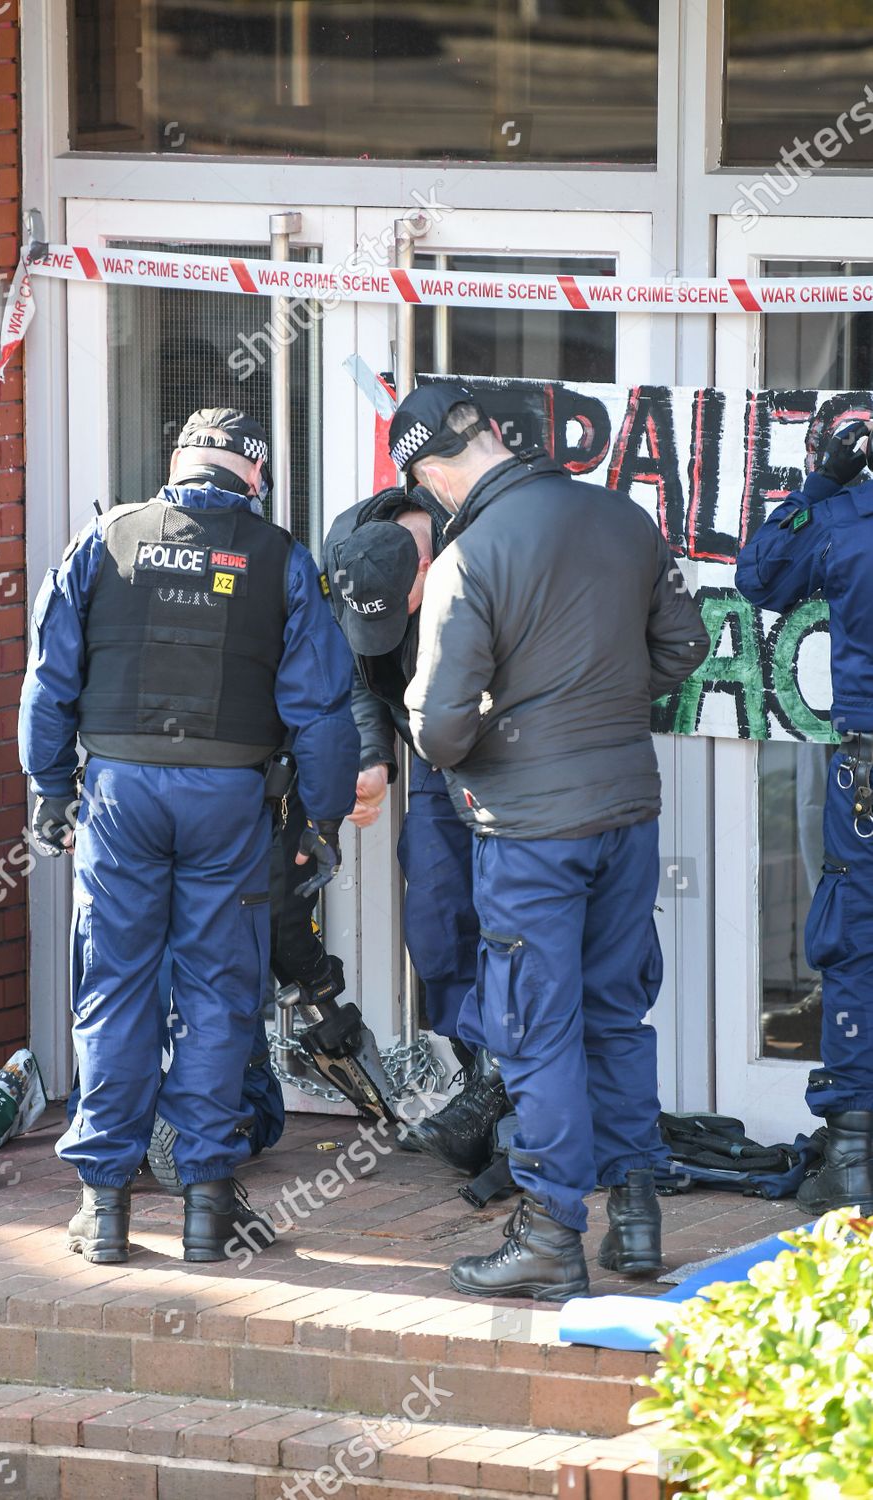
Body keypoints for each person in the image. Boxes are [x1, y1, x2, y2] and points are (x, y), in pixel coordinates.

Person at [19, 407, 358, 1264]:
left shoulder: (104, 539)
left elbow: (50, 677)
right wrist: (318, 820)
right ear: (253, 475)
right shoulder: (279, 557)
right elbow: (318, 707)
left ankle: (104, 1210)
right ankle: (206, 1203)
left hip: (120, 794)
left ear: (177, 467)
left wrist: (49, 788)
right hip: (228, 797)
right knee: (216, 993)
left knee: (113, 989)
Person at [395, 380, 710, 1300]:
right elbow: (683, 650)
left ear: (430, 473)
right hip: (625, 811)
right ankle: (638, 1213)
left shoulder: (467, 556)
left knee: (536, 1029)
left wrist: (513, 724)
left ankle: (548, 1232)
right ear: (493, 432)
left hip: (532, 829)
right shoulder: (622, 519)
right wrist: (601, 703)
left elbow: (441, 733)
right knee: (616, 1010)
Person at [322, 487, 506, 1173]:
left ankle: (508, 1094)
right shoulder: (353, 549)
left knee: (515, 922)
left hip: (511, 754)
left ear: (431, 568)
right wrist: (370, 757)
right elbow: (352, 671)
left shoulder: (484, 544)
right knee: (435, 918)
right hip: (430, 752)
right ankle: (478, 1075)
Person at [735, 418, 873, 1215]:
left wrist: (820, 482)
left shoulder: (842, 520)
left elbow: (760, 578)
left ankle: (853, 1156)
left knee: (855, 945)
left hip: (865, 765)